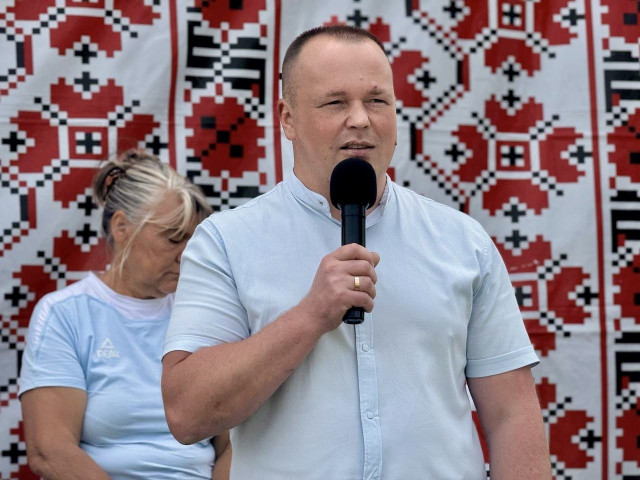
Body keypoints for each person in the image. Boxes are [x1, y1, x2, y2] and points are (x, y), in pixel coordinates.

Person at [161, 26, 551, 479]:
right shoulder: (226, 242)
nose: (361, 119)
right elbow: (187, 415)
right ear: (287, 118)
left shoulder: (463, 242)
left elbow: (511, 416)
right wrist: (310, 316)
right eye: (335, 103)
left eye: (377, 100)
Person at [19, 150, 231, 480]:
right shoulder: (65, 314)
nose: (187, 254)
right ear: (122, 228)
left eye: (193, 240)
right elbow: (51, 451)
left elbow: (234, 443)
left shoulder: (208, 313)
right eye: (173, 238)